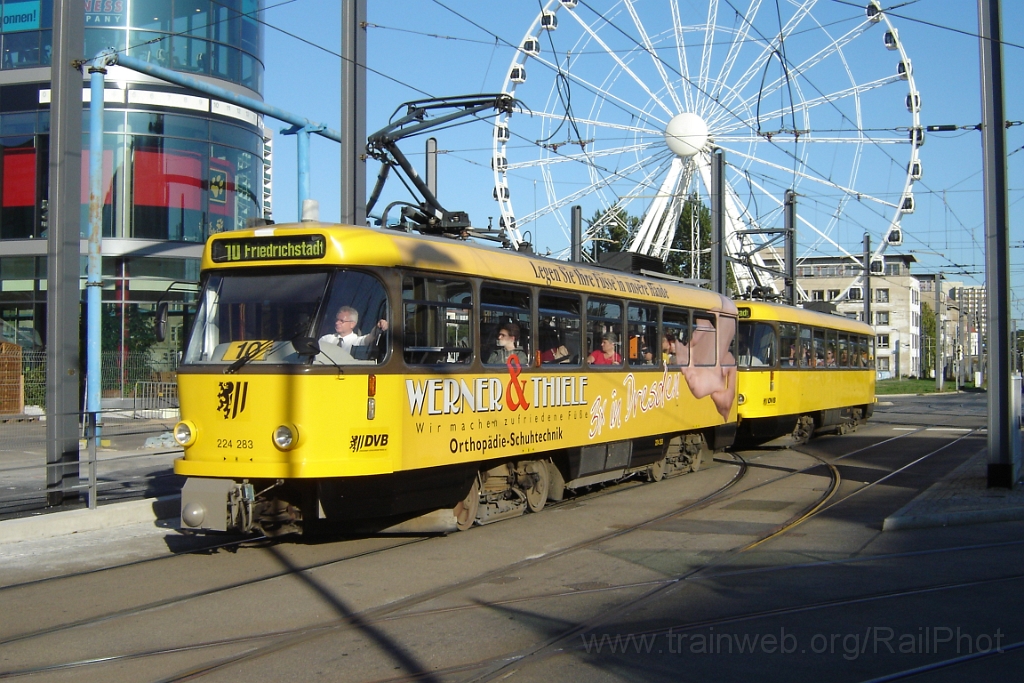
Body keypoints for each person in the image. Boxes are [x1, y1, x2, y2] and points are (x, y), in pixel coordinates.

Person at [319, 305, 388, 354]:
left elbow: (370, 337)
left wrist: (379, 326)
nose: (337, 323)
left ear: (352, 324)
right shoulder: (326, 339)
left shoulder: (356, 341)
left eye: (341, 321)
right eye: (337, 320)